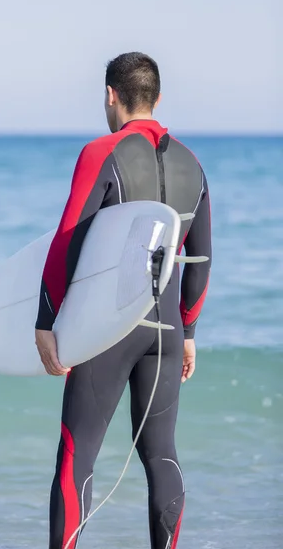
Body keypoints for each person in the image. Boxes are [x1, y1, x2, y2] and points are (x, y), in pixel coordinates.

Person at [35, 52, 212, 549]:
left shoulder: (102, 152)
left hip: (109, 328)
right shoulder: (193, 165)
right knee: (162, 456)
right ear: (156, 98)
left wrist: (46, 318)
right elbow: (201, 257)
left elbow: (68, 238)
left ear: (111, 95)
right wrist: (190, 331)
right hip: (167, 331)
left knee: (79, 453)